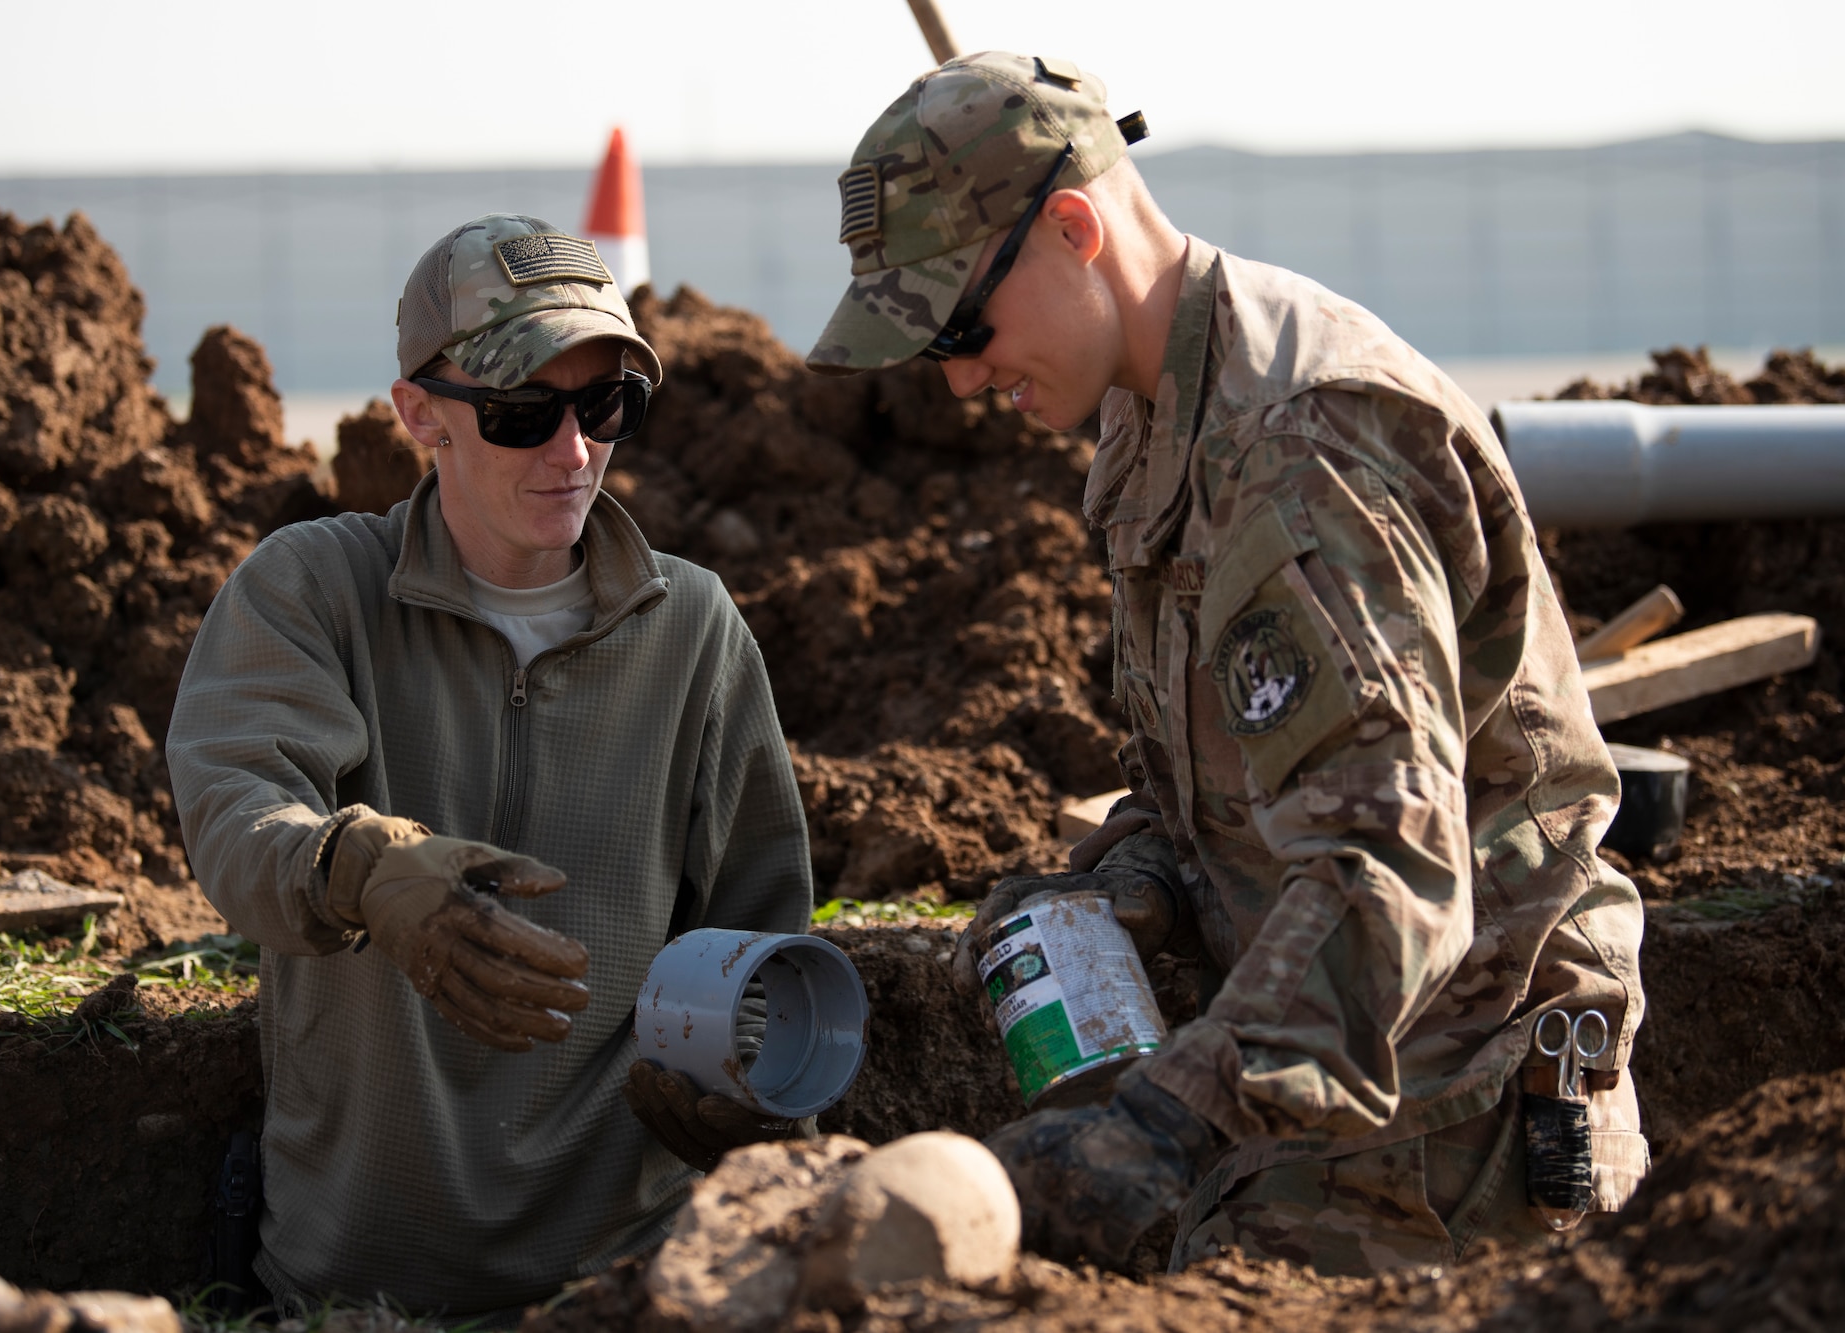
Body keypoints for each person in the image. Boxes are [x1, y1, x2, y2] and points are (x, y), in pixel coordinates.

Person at [805, 53, 1649, 1277]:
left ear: (1072, 225)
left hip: (1446, 1147)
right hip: (1330, 1107)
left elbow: (1388, 865)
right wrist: (1129, 886)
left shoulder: (1297, 451)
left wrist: (1161, 1122)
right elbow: (1254, 769)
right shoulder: (1160, 415)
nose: (957, 376)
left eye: (959, 324)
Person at [167, 214, 814, 1320]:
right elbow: (237, 811)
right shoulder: (315, 592)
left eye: (604, 405)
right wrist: (359, 864)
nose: (573, 453)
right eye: (522, 413)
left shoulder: (692, 627)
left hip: (617, 1288)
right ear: (418, 413)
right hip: (354, 1287)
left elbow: (757, 919)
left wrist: (754, 1065)